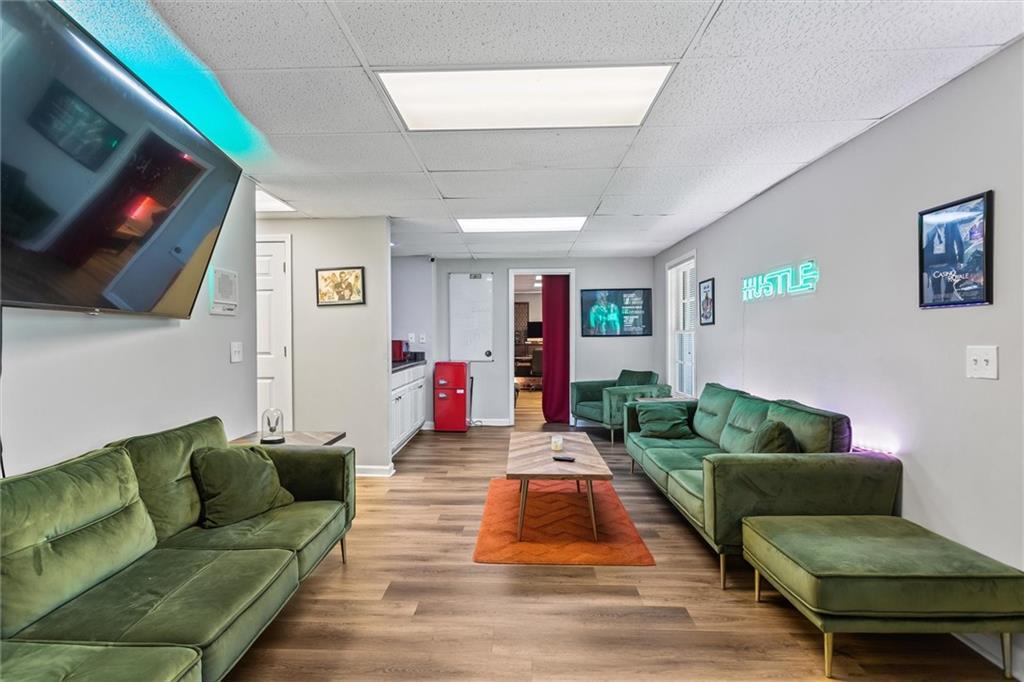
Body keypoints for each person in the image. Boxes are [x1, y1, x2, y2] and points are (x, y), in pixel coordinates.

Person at [922, 219, 965, 302]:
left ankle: (947, 302)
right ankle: (937, 305)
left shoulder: (952, 224)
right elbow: (926, 246)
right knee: (936, 289)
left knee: (950, 285)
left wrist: (961, 260)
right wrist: (925, 265)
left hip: (949, 261)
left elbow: (959, 242)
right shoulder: (931, 226)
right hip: (934, 262)